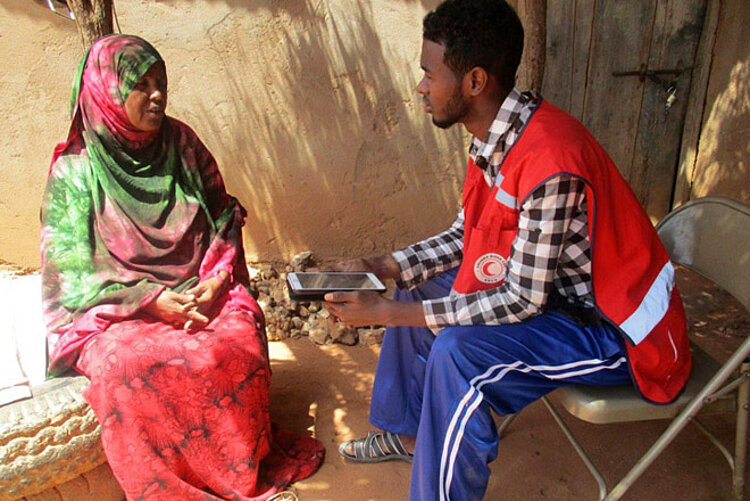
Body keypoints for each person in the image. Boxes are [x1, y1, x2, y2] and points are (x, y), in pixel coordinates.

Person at [323, 1, 692, 499]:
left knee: (459, 355)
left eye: (429, 74)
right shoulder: (497, 138)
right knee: (420, 290)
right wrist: (384, 268)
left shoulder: (550, 162)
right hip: (559, 302)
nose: (421, 87)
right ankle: (411, 435)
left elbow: (521, 300)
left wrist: (388, 312)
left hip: (616, 334)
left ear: (475, 81)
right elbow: (465, 236)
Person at [41, 34, 324, 501]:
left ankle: (237, 474)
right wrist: (148, 300)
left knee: (234, 343)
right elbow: (69, 275)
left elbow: (223, 215)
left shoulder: (181, 142)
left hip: (199, 292)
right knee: (127, 367)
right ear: (106, 91)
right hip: (120, 313)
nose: (157, 94)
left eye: (161, 81)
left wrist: (214, 280)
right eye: (141, 84)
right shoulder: (76, 171)